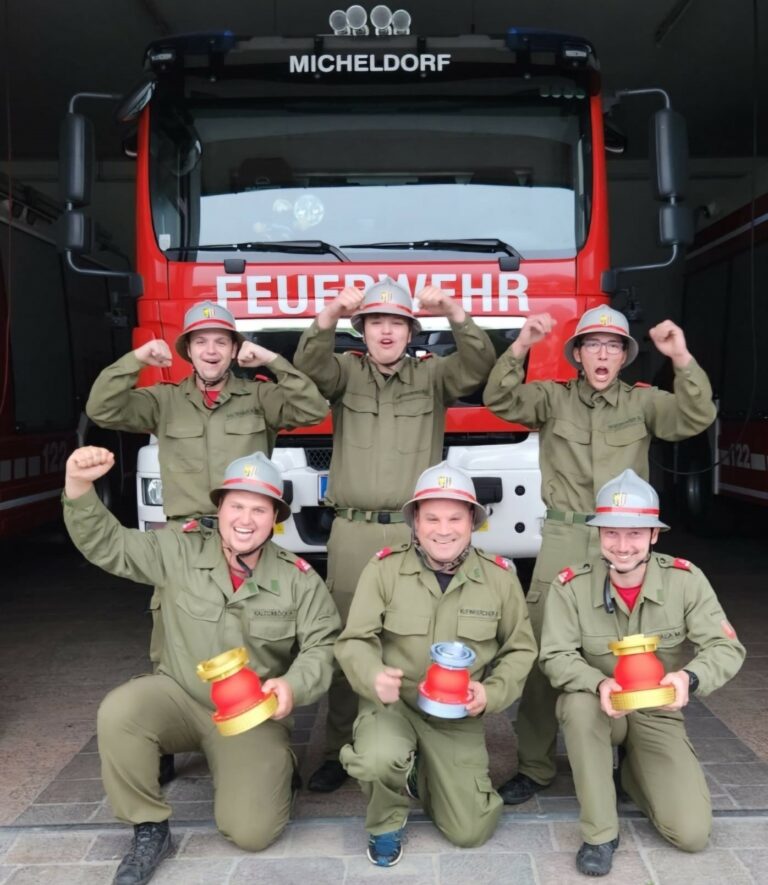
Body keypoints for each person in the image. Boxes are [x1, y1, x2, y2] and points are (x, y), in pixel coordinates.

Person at [62, 447, 341, 885]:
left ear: (275, 517)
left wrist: (292, 685)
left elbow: (323, 646)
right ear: (219, 508)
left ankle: (275, 768)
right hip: (179, 696)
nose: (245, 519)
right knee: (121, 711)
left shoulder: (299, 579)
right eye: (236, 506)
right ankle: (149, 827)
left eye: (259, 509)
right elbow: (111, 545)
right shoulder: (178, 549)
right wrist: (79, 487)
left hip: (249, 715)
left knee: (252, 833)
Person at [482, 306, 717, 804]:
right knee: (546, 652)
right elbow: (499, 398)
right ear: (579, 354)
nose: (603, 354)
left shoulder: (643, 402)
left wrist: (680, 357)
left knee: (633, 647)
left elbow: (695, 416)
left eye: (613, 346)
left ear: (625, 356)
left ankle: (631, 759)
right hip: (565, 538)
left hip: (624, 538)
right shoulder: (552, 398)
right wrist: (521, 343)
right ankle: (535, 765)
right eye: (593, 345)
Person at [86, 299, 329, 775]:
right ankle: (166, 738)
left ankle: (260, 728)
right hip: (185, 538)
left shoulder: (258, 397)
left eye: (221, 341)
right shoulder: (164, 400)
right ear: (188, 350)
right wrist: (135, 360)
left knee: (253, 627)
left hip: (245, 531)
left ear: (235, 349)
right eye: (201, 342)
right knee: (170, 637)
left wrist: (272, 360)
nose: (212, 350)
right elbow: (102, 407)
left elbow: (313, 407)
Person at [294, 277, 496, 792]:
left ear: (411, 331)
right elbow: (309, 366)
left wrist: (453, 308)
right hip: (353, 531)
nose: (386, 332)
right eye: (376, 323)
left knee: (417, 638)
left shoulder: (433, 377)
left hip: (416, 534)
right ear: (361, 330)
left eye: (397, 323)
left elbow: (478, 366)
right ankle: (339, 750)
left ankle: (418, 739)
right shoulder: (345, 374)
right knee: (349, 642)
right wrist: (328, 314)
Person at [538, 469, 745, 876]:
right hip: (602, 706)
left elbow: (726, 647)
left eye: (634, 533)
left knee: (691, 834)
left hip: (657, 710)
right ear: (598, 535)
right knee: (577, 707)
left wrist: (689, 678)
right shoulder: (571, 585)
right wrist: (598, 682)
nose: (622, 545)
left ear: (654, 535)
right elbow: (555, 655)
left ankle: (633, 774)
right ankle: (600, 834)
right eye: (611, 533)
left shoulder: (685, 580)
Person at [335, 462, 537, 866]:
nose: (443, 530)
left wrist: (491, 693)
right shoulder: (384, 569)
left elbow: (520, 649)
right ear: (415, 522)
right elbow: (355, 639)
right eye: (432, 518)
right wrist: (373, 675)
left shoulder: (499, 578)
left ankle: (420, 774)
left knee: (471, 831)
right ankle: (386, 821)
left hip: (456, 715)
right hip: (393, 707)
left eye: (455, 518)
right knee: (377, 758)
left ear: (472, 522)